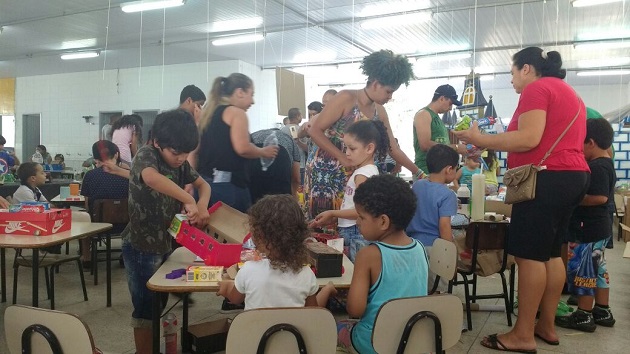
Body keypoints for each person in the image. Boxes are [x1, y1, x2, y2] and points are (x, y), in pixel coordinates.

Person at [454, 47, 589, 352]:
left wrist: (481, 140)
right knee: (552, 253)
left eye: (513, 72)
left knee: (529, 256)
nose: (512, 80)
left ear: (526, 69)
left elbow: (529, 138)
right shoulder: (569, 93)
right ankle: (546, 324)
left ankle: (522, 335)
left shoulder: (537, 88)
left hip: (545, 178)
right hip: (573, 176)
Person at [120, 109, 211, 354]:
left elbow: (204, 185)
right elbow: (151, 179)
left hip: (166, 243)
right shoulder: (146, 155)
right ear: (158, 142)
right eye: (176, 153)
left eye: (186, 154)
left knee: (157, 304)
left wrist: (201, 204)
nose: (181, 158)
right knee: (145, 308)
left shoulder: (179, 163)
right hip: (140, 246)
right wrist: (188, 199)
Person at [305, 50, 423, 219]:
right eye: (389, 91)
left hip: (356, 175)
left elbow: (392, 148)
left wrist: (418, 172)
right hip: (326, 173)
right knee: (326, 225)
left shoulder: (379, 111)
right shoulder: (346, 97)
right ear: (375, 84)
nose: (390, 97)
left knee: (353, 224)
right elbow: (315, 131)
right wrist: (342, 158)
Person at [319, 174, 429, 354]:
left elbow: (355, 309)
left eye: (361, 217)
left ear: (383, 221)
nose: (357, 222)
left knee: (335, 327)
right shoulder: (420, 248)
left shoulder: (369, 255)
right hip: (412, 341)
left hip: (374, 344)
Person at [556, 118, 616, 332]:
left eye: (580, 143)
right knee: (599, 271)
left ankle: (584, 315)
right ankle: (602, 310)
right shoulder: (607, 162)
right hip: (599, 229)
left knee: (584, 273)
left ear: (591, 142)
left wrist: (575, 198)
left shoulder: (597, 166)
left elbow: (599, 198)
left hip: (587, 229)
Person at [216, 194, 318, 309]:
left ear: (260, 236)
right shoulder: (306, 273)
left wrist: (225, 288)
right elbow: (312, 311)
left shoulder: (248, 270)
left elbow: (235, 298)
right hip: (290, 327)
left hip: (255, 327)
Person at [197, 73, 278, 212]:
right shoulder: (236, 113)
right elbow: (242, 148)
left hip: (204, 186)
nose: (252, 101)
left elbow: (195, 150)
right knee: (234, 232)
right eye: (251, 94)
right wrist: (263, 152)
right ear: (240, 92)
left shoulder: (207, 113)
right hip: (229, 188)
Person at [309, 120, 389, 262]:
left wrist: (333, 213)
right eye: (346, 148)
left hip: (355, 232)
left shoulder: (363, 175)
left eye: (352, 149)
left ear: (369, 148)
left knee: (355, 272)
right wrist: (334, 218)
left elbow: (362, 211)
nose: (347, 153)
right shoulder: (364, 171)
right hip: (352, 230)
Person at [80, 140, 130, 263]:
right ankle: (126, 255)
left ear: (96, 158)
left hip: (98, 225)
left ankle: (86, 257)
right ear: (117, 155)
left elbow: (87, 204)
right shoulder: (129, 175)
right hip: (126, 225)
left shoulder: (90, 175)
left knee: (84, 218)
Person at [414, 84, 469, 176]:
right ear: (442, 98)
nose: (451, 108)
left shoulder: (437, 119)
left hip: (439, 172)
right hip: (426, 172)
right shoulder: (424, 114)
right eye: (450, 103)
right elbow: (425, 144)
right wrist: (455, 147)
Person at [249, 128, 301, 201]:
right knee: (280, 206)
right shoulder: (289, 140)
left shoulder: (254, 135)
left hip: (254, 159)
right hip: (280, 162)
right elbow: (296, 178)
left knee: (253, 206)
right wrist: (294, 197)